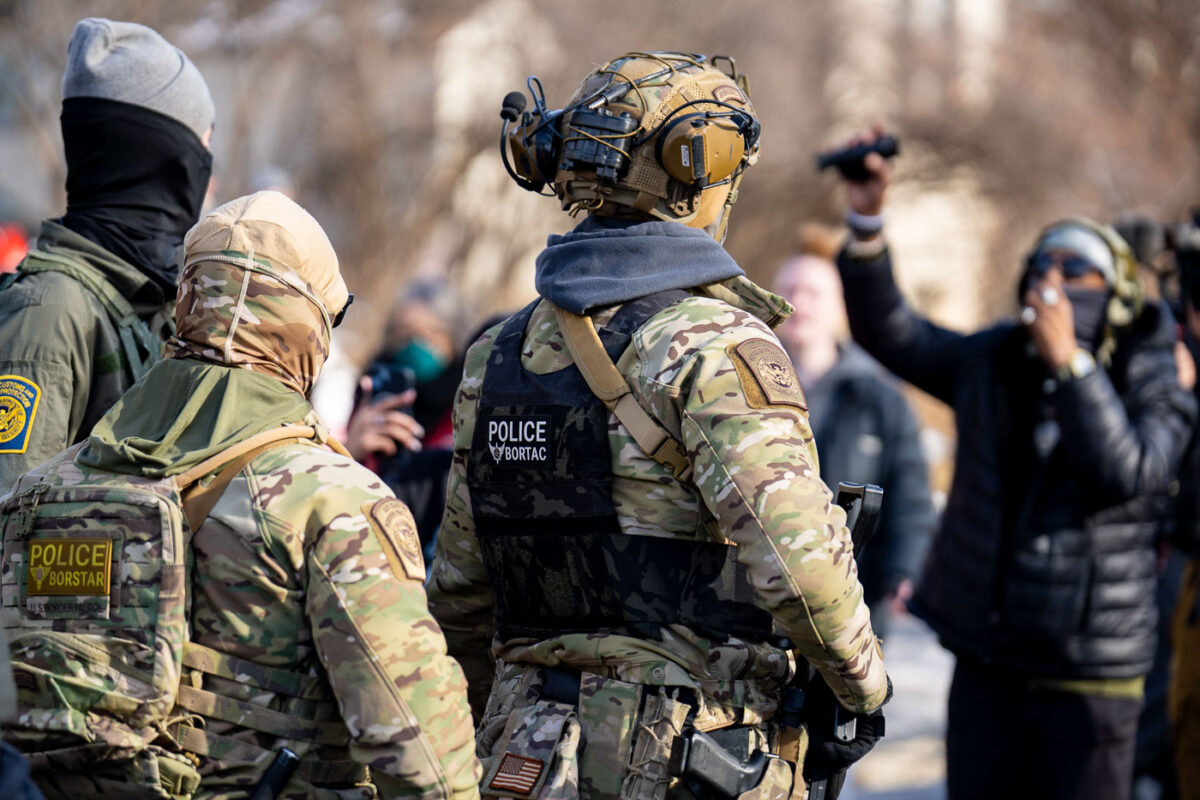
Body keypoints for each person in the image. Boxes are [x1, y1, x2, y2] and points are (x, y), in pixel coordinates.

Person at [428, 52, 889, 800]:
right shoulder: (717, 344)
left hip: (522, 752)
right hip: (681, 757)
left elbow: (457, 589)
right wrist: (864, 687)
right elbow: (803, 573)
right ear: (697, 172)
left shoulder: (498, 353)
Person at [0, 191, 480, 799]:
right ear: (310, 328)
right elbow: (425, 765)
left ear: (186, 304)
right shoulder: (334, 501)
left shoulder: (47, 486)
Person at [833, 131, 1196, 800]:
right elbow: (896, 332)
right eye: (1041, 265)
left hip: (1091, 676)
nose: (1051, 282)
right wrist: (866, 223)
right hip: (989, 664)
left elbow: (1131, 475)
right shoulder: (994, 360)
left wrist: (1073, 368)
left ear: (1116, 295)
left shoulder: (1152, 366)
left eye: (1075, 270)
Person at [0, 18, 215, 495]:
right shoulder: (52, 314)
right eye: (202, 148)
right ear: (164, 162)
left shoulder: (147, 307)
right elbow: (9, 527)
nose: (209, 179)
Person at [773, 226, 934, 641]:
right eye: (790, 289)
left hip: (853, 605)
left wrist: (904, 571)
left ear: (841, 305)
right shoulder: (745, 388)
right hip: (762, 598)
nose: (800, 302)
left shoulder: (881, 398)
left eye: (813, 292)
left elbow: (910, 495)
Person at [346, 281, 465, 558]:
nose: (416, 345)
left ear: (453, 339)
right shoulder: (372, 389)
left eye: (431, 334)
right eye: (405, 333)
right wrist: (350, 452)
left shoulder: (466, 399)